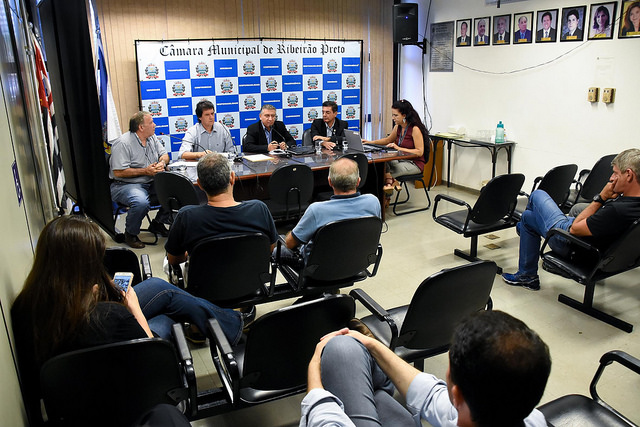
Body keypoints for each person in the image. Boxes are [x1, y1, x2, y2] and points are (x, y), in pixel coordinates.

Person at [11, 215, 243, 425]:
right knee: (166, 316)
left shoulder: (24, 306)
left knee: (159, 288)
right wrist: (133, 308)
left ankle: (229, 322)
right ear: (85, 266)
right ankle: (232, 325)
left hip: (72, 396)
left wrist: (98, 293)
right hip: (120, 378)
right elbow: (153, 354)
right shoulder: (111, 316)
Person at [300, 310, 551, 427]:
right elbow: (431, 395)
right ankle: (374, 372)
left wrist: (315, 381)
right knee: (376, 394)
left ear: (457, 395)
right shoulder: (531, 419)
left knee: (341, 350)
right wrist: (374, 346)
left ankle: (372, 375)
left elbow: (327, 422)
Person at [502, 149, 640, 291]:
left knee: (538, 195)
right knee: (527, 218)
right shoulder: (631, 205)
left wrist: (601, 198)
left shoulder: (617, 210)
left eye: (616, 173)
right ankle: (526, 275)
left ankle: (526, 265)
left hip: (572, 243)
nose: (611, 178)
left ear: (629, 174)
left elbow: (574, 229)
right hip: (599, 246)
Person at [166, 153, 278, 265]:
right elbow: (270, 248)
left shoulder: (186, 216)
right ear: (232, 178)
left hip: (204, 282)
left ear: (199, 184)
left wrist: (191, 255)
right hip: (253, 281)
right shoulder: (259, 209)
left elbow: (174, 260)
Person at [278, 157, 381, 269]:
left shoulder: (316, 210)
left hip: (317, 271)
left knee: (278, 247)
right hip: (358, 264)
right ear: (358, 181)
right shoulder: (373, 202)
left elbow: (289, 243)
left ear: (330, 182)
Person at [110, 111, 172, 248]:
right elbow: (118, 172)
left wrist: (161, 163)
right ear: (141, 127)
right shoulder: (122, 143)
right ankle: (130, 234)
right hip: (125, 185)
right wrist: (145, 171)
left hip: (150, 182)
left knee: (174, 190)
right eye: (151, 122)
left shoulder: (152, 138)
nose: (154, 125)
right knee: (141, 202)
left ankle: (158, 223)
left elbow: (164, 155)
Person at [363, 99, 429, 196]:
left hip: (414, 164)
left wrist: (398, 148)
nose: (393, 118)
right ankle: (392, 182)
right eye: (392, 115)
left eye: (395, 115)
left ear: (404, 116)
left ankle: (385, 197)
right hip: (400, 159)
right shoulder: (397, 127)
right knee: (380, 163)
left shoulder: (415, 129)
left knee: (382, 175)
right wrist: (370, 142)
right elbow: (387, 140)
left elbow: (419, 152)